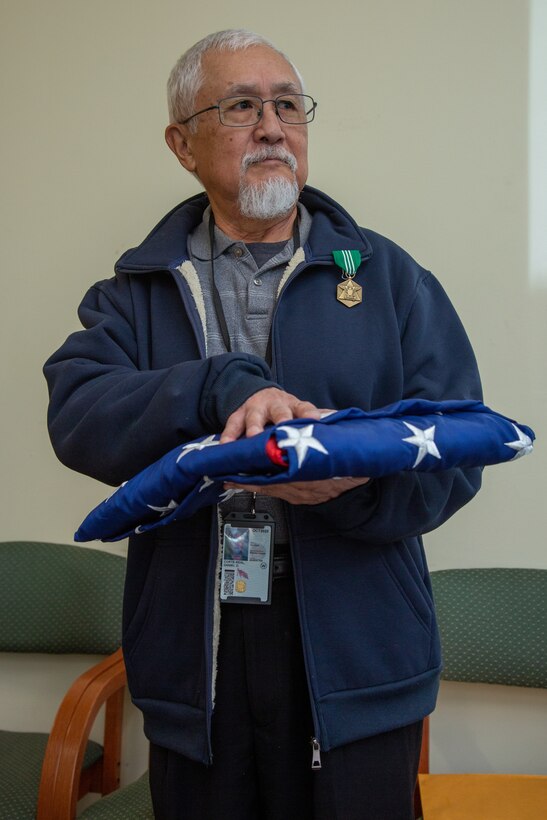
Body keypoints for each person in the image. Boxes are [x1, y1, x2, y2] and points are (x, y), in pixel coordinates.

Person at [44, 29, 483, 820]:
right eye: (241, 106)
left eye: (287, 105)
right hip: (197, 652)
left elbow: (454, 452)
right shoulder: (133, 292)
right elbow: (77, 415)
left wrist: (349, 490)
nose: (273, 126)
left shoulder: (388, 278)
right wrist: (216, 385)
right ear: (183, 144)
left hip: (358, 655)